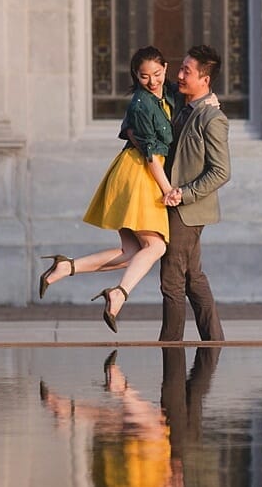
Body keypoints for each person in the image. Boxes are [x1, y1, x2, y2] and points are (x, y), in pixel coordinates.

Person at [38, 47, 177, 332]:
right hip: (140, 172)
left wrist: (211, 100)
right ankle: (119, 294)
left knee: (131, 252)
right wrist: (167, 190)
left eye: (157, 74)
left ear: (166, 67)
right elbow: (149, 153)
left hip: (141, 171)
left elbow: (189, 98)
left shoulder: (167, 93)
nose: (152, 81)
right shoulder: (141, 103)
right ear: (135, 76)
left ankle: (66, 267)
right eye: (144, 77)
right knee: (157, 246)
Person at [159, 45, 230, 342]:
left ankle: (170, 349)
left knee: (172, 281)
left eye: (187, 71)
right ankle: (214, 343)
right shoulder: (181, 105)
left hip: (187, 210)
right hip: (175, 206)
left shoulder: (211, 118)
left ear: (205, 79)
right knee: (192, 278)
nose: (180, 75)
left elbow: (221, 171)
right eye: (180, 68)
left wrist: (183, 194)